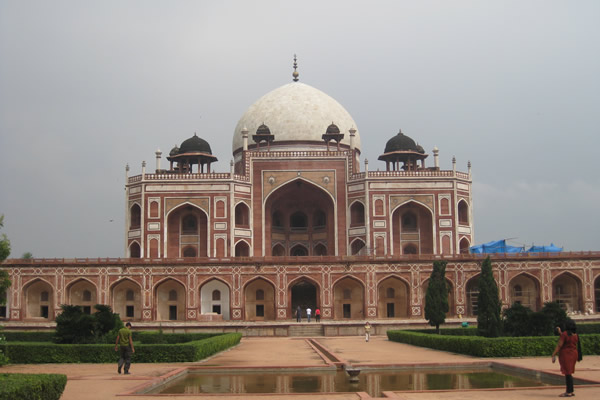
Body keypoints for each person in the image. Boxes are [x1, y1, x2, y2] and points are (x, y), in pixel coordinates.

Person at [552, 319, 579, 397]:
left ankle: (568, 392)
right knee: (569, 372)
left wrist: (553, 354)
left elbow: (560, 345)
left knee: (567, 373)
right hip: (573, 354)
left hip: (566, 354)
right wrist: (560, 333)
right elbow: (568, 339)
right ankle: (571, 390)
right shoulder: (575, 334)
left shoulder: (565, 334)